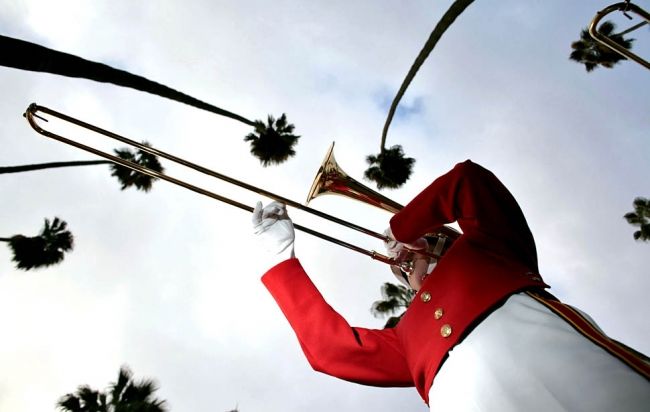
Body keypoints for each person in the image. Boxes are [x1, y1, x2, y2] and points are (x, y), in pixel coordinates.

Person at [252, 160, 650, 411]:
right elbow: (329, 350)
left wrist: (403, 226)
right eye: (403, 270)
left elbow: (468, 181)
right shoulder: (405, 336)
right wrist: (280, 258)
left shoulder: (492, 248)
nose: (406, 268)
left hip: (561, 361)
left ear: (444, 242)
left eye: (413, 257)